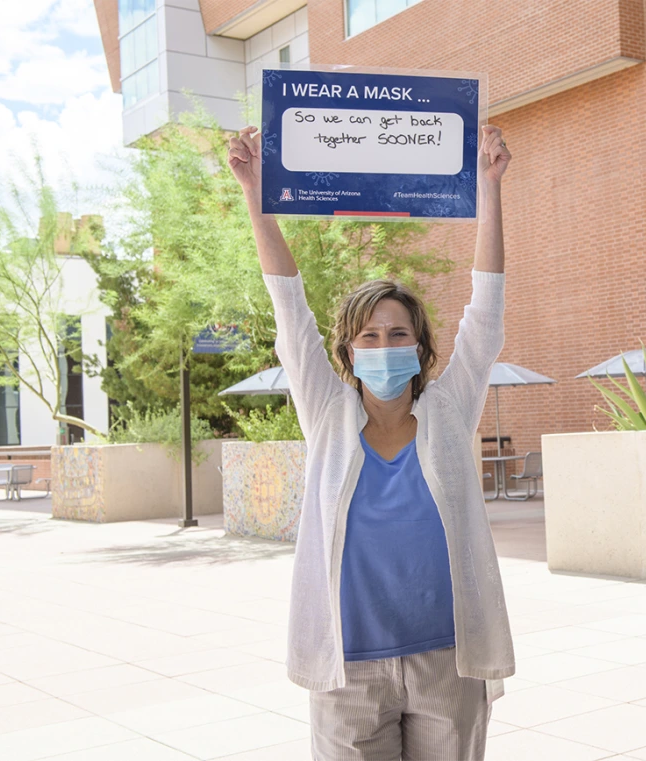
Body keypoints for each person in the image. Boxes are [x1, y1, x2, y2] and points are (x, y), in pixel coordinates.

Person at [227, 123, 515, 760]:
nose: (384, 347)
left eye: (397, 334)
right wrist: (255, 194)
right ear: (348, 353)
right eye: (369, 337)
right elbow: (289, 310)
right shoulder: (328, 414)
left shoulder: (449, 409)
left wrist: (490, 188)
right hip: (349, 668)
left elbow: (486, 315)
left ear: (420, 347)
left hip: (449, 659)